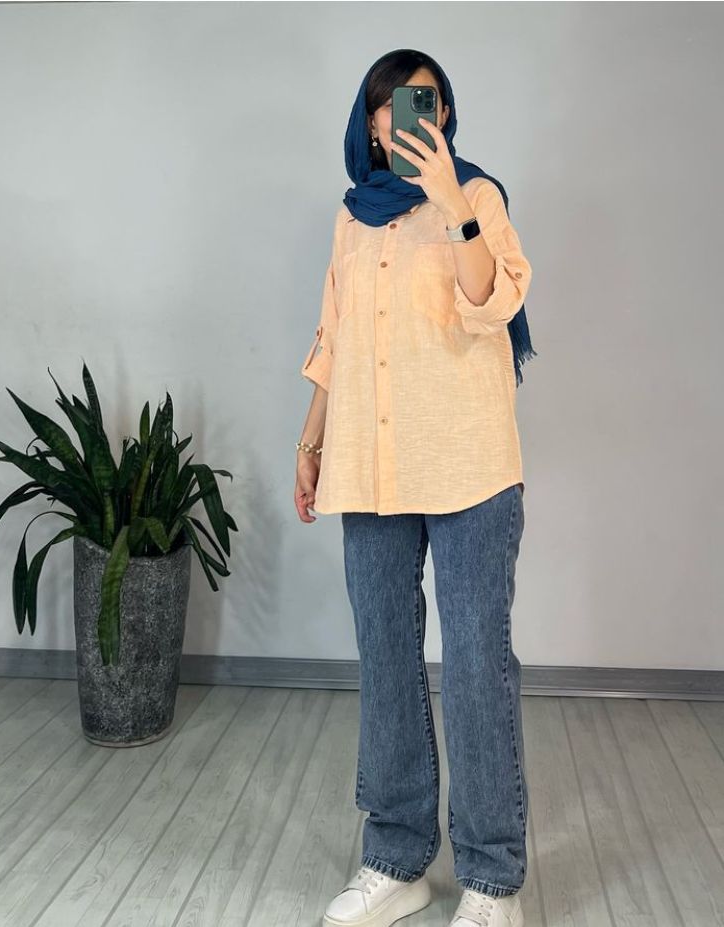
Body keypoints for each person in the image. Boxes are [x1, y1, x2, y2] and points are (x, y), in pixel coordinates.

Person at [295, 48, 536, 927]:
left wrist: (452, 205)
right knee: (387, 658)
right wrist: (312, 437)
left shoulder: (477, 196)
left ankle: (492, 879)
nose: (403, 116)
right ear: (369, 124)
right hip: (370, 461)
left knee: (475, 661)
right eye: (387, 105)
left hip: (469, 463)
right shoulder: (352, 217)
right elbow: (336, 333)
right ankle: (398, 860)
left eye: (422, 101)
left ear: (444, 113)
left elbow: (492, 303)